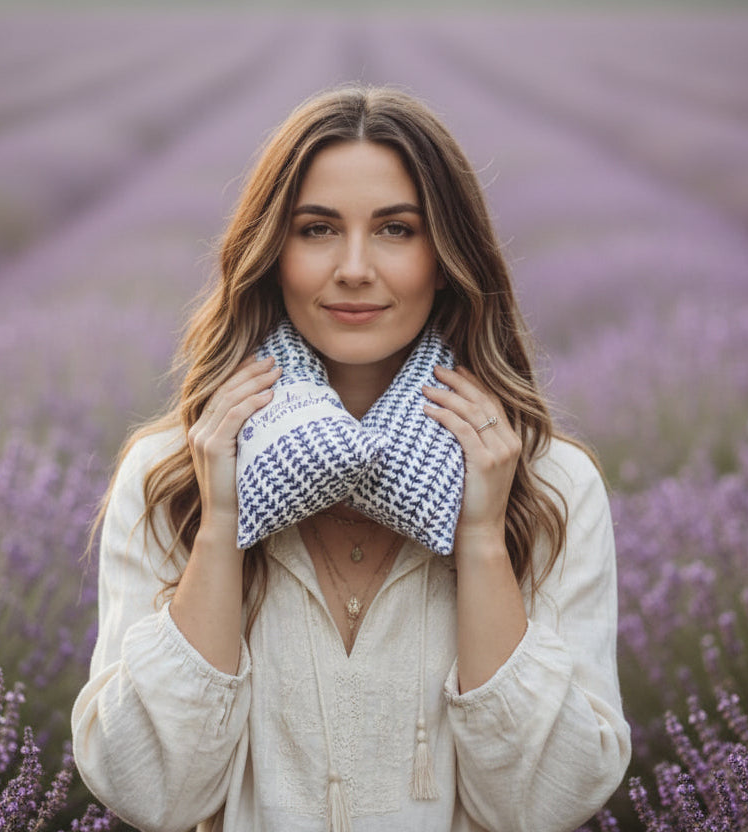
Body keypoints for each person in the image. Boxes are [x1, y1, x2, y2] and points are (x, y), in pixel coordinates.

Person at [71, 85, 631, 832]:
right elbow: (153, 794)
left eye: (397, 229)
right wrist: (221, 524)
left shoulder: (550, 484)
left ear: (447, 256)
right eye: (317, 229)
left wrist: (482, 541)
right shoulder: (173, 475)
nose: (355, 268)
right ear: (272, 254)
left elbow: (546, 804)